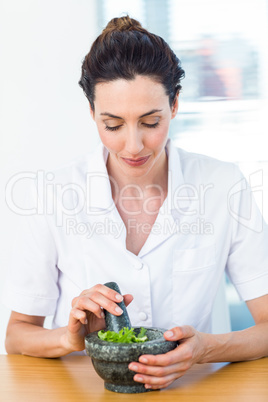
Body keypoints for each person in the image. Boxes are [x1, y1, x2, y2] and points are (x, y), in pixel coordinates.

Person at [3, 15, 268, 390]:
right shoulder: (52, 195)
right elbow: (17, 336)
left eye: (150, 121)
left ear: (174, 105)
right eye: (113, 125)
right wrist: (68, 337)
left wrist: (205, 348)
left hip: (194, 392)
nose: (133, 145)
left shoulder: (223, 186)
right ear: (92, 112)